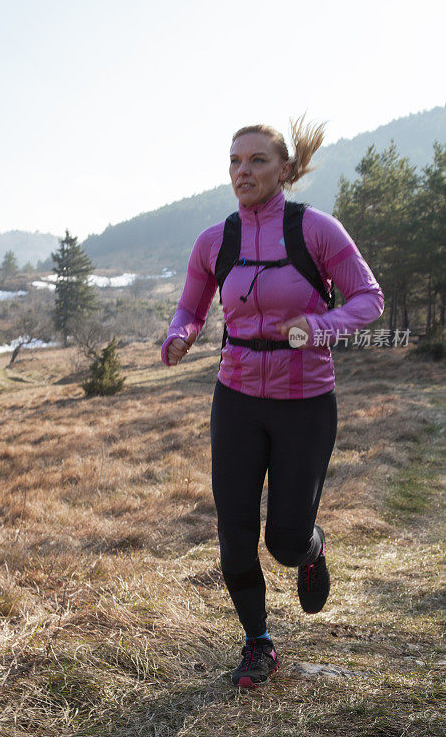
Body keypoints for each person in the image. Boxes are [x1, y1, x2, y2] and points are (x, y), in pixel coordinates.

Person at [161, 116, 384, 690]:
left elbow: (368, 300)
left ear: (284, 169)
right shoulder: (215, 241)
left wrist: (318, 325)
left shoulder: (317, 231)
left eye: (257, 160)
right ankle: (258, 643)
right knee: (234, 537)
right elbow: (191, 307)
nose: (243, 171)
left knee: (282, 542)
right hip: (235, 398)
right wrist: (179, 335)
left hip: (304, 401)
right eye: (235, 161)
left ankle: (310, 548)